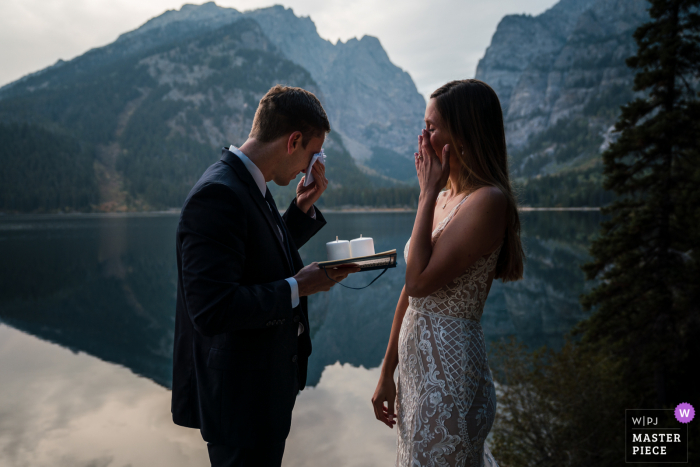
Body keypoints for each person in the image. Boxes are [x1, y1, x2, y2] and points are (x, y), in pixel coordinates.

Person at [171, 84, 360, 467]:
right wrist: (299, 286)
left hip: (259, 396)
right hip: (239, 403)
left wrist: (300, 209)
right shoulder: (218, 195)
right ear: (293, 141)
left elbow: (253, 256)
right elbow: (211, 309)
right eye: (314, 153)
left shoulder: (248, 184)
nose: (313, 166)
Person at [372, 79, 525, 467]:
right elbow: (407, 296)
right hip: (416, 373)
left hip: (450, 374)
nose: (423, 135)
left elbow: (419, 282)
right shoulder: (441, 197)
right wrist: (386, 371)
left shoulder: (488, 201)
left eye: (433, 126)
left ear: (462, 134)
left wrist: (425, 192)